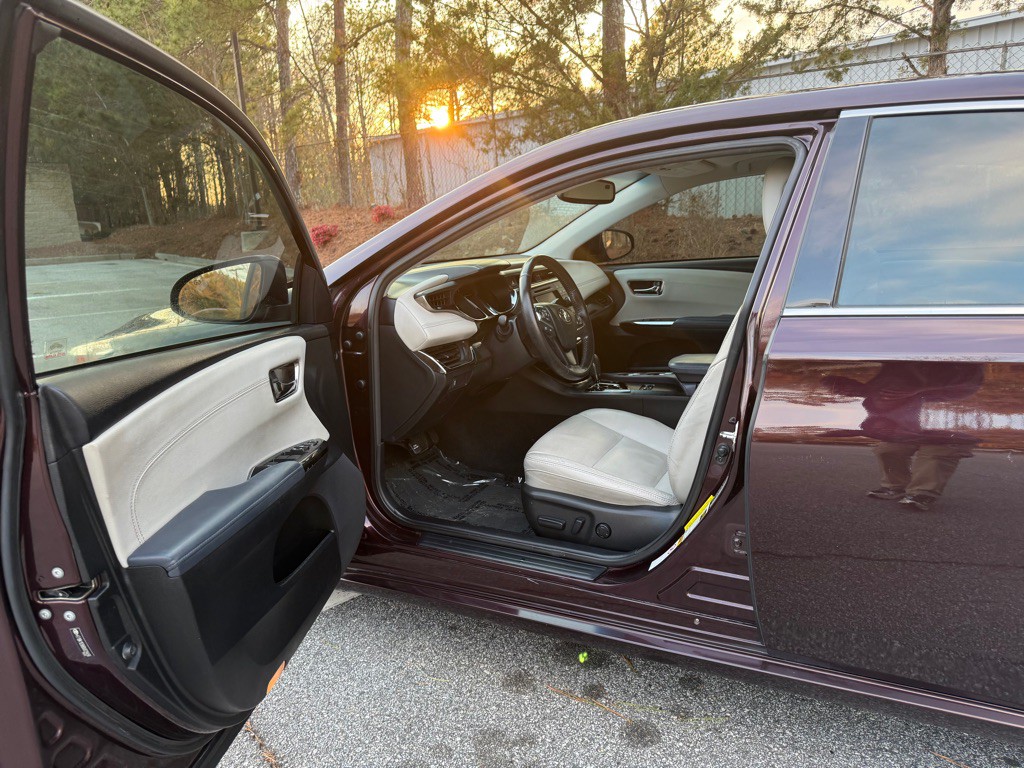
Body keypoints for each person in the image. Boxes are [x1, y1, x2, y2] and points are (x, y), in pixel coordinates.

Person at [824, 362, 983, 511]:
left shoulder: (931, 369)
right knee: (888, 449)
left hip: (946, 425)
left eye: (843, 388)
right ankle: (896, 487)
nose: (845, 392)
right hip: (910, 430)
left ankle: (922, 493)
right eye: (840, 391)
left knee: (935, 451)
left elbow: (969, 384)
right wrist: (866, 430)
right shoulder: (875, 392)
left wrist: (921, 390)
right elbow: (880, 420)